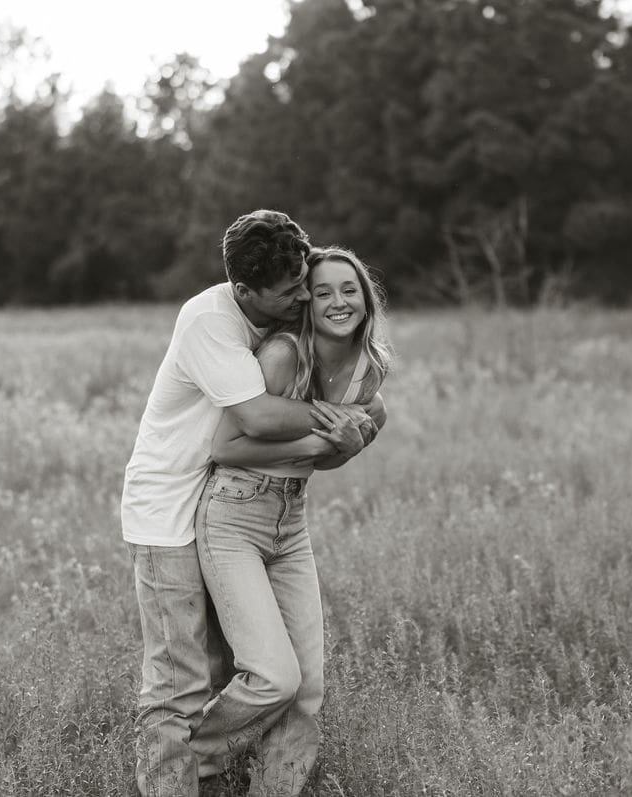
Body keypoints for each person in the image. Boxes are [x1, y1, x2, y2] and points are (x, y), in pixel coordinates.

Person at [122, 212, 383, 797]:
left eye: (302, 284)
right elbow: (255, 420)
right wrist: (350, 423)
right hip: (169, 512)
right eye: (291, 290)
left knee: (249, 675)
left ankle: (229, 781)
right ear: (244, 290)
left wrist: (358, 419)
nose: (300, 298)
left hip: (250, 509)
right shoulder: (211, 323)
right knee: (180, 682)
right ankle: (173, 778)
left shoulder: (277, 325)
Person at [189, 245, 393, 796]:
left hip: (291, 518)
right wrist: (323, 437)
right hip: (234, 514)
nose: (337, 302)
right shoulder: (282, 353)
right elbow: (227, 446)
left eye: (349, 290)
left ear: (366, 297)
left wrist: (347, 446)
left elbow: (325, 461)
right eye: (322, 291)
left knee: (307, 690)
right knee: (273, 677)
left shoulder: (369, 369)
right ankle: (189, 762)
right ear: (307, 301)